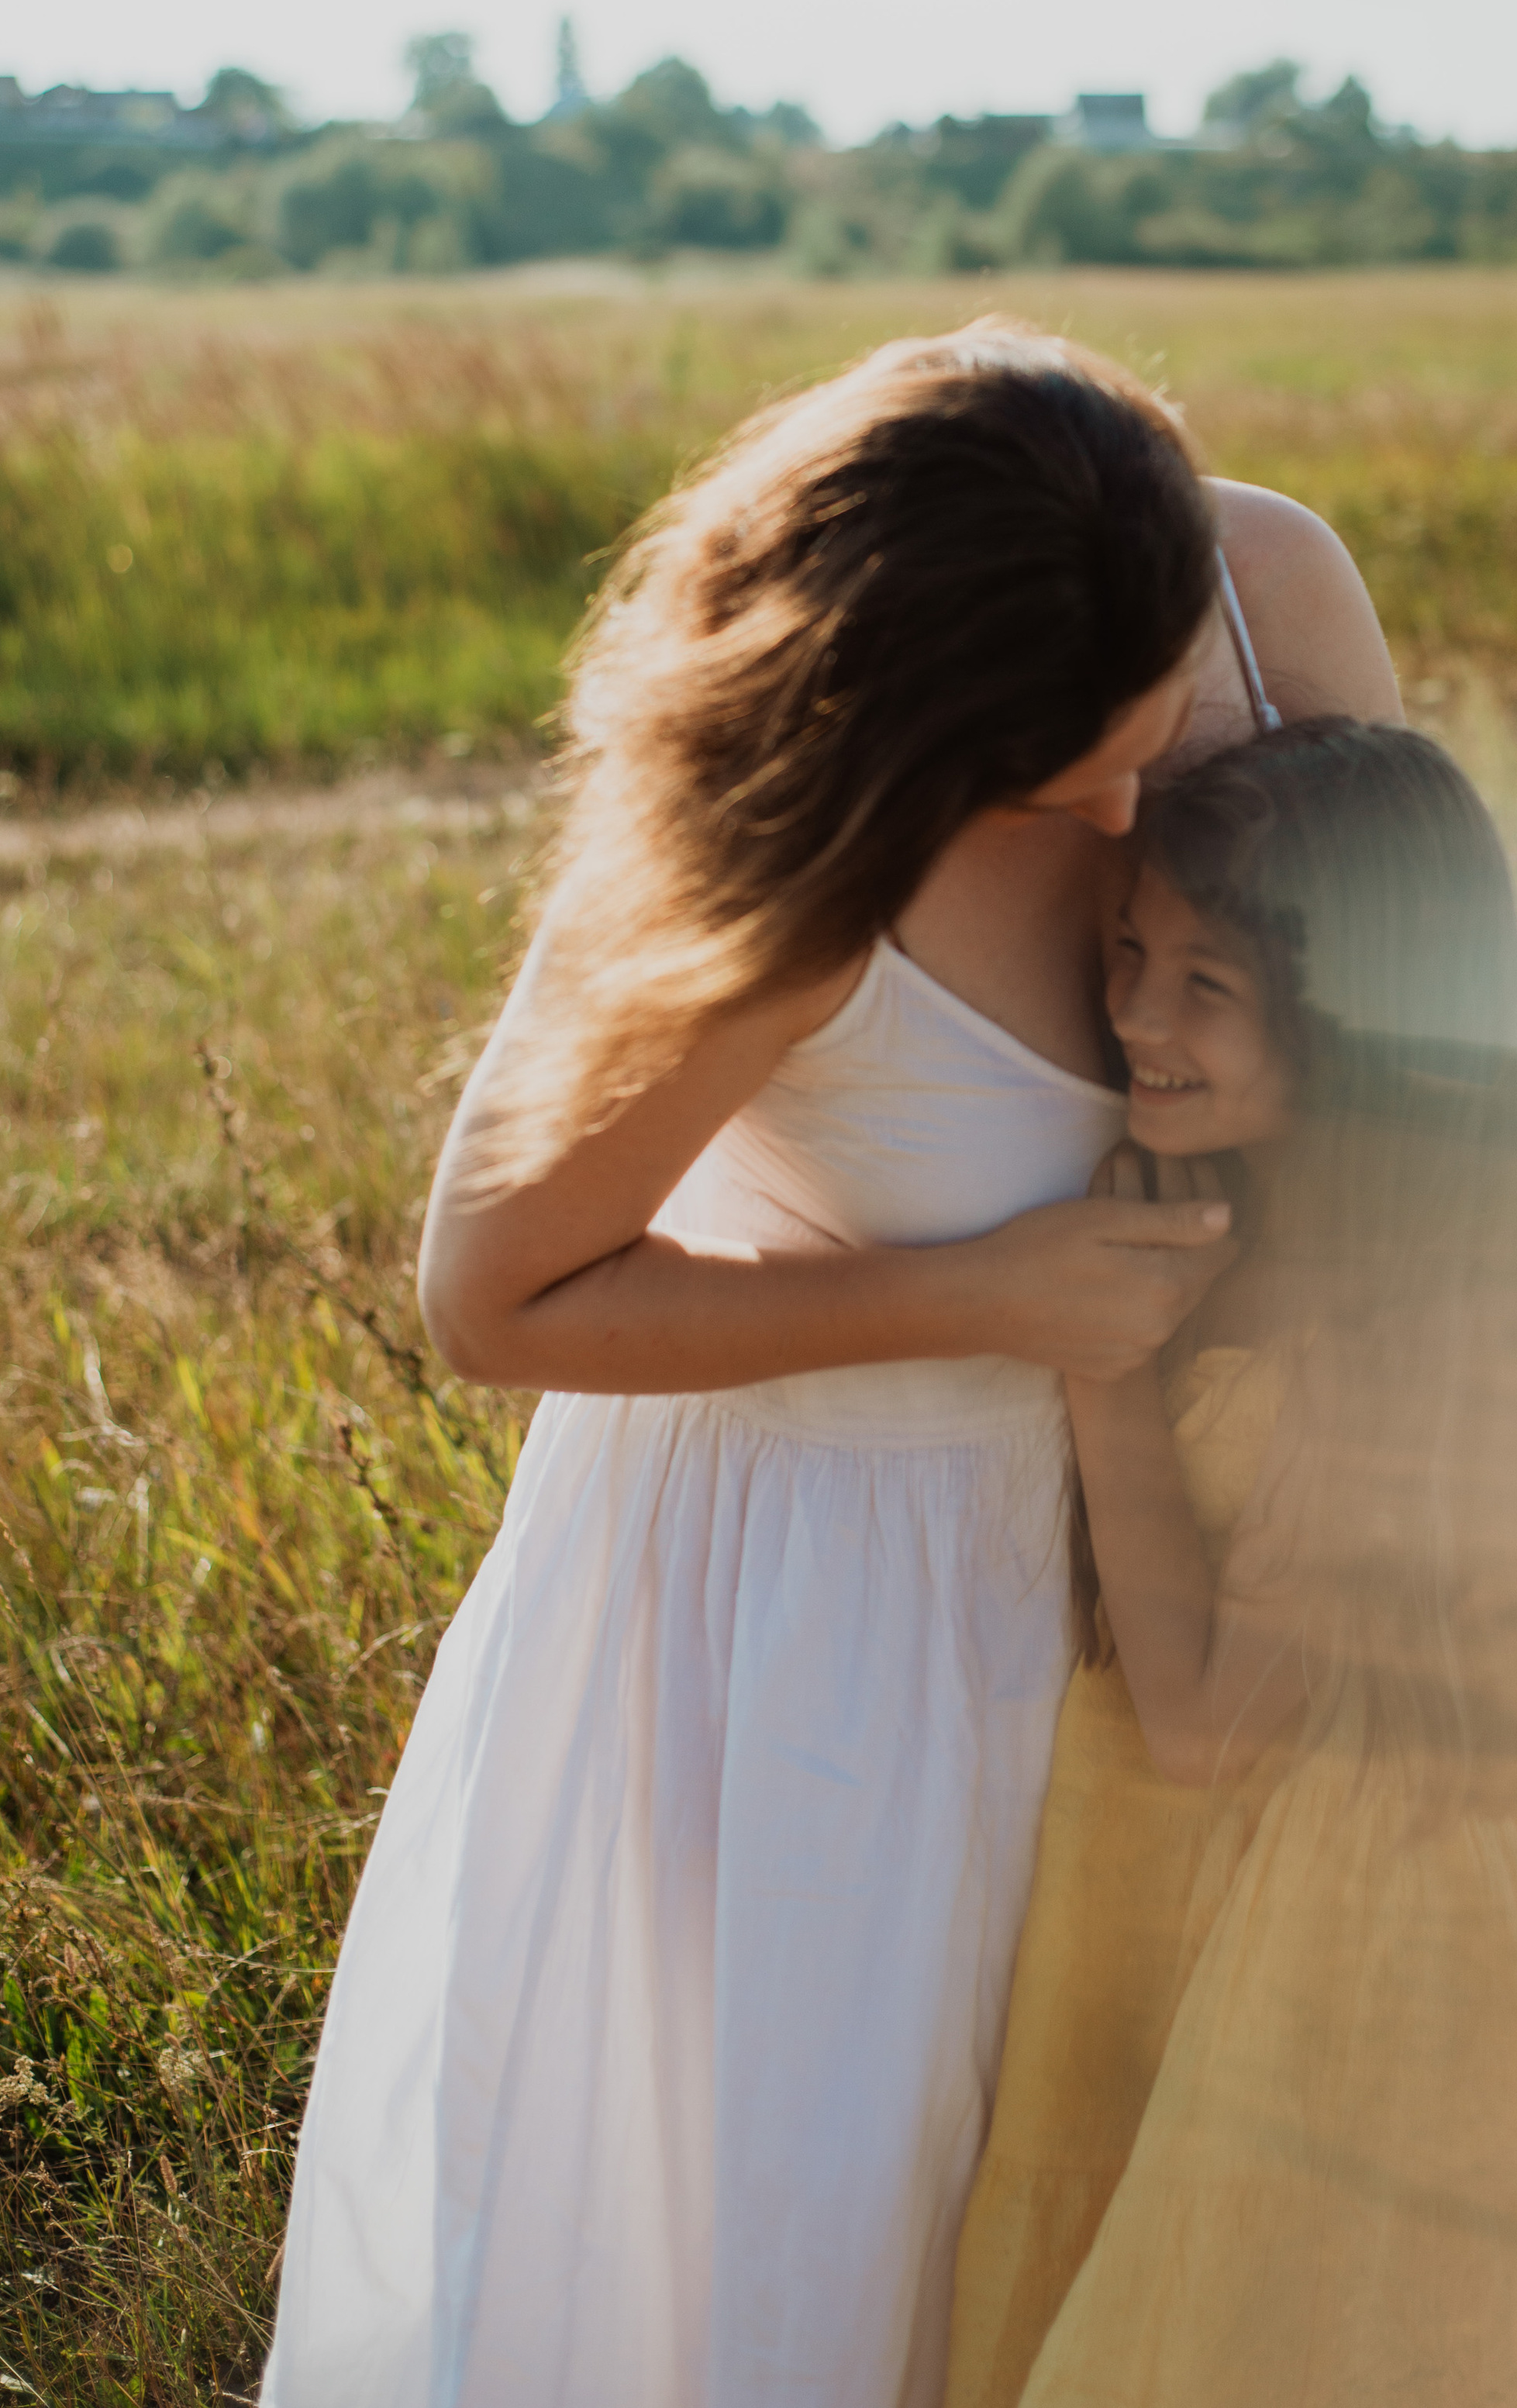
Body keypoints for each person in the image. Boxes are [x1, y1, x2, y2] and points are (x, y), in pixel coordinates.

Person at [259, 319, 1398, 2408]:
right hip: (830, 1633)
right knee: (832, 2245)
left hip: (1205, 1535)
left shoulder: (1265, 589)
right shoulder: (777, 830)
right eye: (1065, 769)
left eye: (1148, 726)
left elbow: (1399, 1037)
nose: (1142, 801)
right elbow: (493, 1296)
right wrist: (994, 1297)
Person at [946, 719, 1517, 2408]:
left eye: (1207, 988)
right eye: (1127, 956)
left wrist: (1098, 1368)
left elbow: (1204, 1729)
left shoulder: (1402, 1330)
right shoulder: (1246, 1209)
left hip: (1328, 1941)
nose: (1136, 1019)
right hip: (1174, 1904)